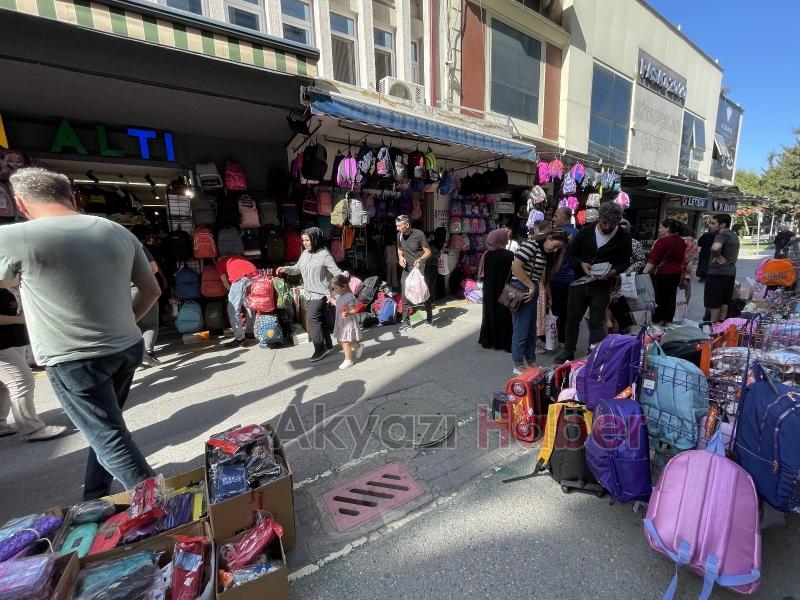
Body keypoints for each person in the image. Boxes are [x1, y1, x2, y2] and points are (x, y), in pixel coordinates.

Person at [0, 167, 160, 499]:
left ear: (20, 203)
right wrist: (126, 321)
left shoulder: (15, 237)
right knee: (107, 429)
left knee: (106, 433)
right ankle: (96, 494)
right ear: (71, 197)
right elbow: (151, 290)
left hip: (74, 357)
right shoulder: (116, 230)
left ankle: (160, 504)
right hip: (126, 347)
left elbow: (6, 281)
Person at [555, 203, 632, 364]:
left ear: (618, 221)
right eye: (604, 222)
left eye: (612, 224)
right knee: (572, 319)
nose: (608, 227)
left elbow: (624, 261)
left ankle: (594, 353)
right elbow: (571, 255)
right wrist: (581, 264)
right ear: (599, 217)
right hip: (579, 282)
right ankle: (568, 351)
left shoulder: (623, 237)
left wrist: (613, 272)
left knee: (596, 321)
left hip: (602, 285)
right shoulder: (585, 232)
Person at [0, 285, 67, 441]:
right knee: (21, 381)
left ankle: (1, 424)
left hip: (12, 338)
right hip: (3, 343)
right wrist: (20, 319)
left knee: (4, 385)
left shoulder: (7, 279)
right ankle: (31, 429)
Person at [277, 227, 341, 361]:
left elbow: (336, 272)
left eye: (308, 240)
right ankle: (328, 345)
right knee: (320, 319)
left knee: (312, 319)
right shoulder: (305, 253)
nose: (305, 243)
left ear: (315, 239)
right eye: (303, 240)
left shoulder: (324, 255)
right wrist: (286, 269)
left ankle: (319, 349)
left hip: (321, 294)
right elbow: (297, 268)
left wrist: (342, 286)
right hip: (309, 293)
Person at [509, 230, 569, 374]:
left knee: (531, 330)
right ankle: (518, 364)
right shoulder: (532, 245)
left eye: (558, 248)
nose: (555, 250)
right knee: (521, 329)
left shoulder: (543, 251)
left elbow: (554, 271)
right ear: (549, 237)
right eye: (555, 246)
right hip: (522, 288)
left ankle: (531, 361)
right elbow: (515, 266)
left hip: (530, 288)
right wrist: (531, 286)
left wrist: (561, 252)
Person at [131, 226, 166, 366]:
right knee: (150, 324)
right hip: (141, 288)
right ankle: (148, 353)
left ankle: (136, 358)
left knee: (133, 324)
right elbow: (154, 268)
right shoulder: (137, 245)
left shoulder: (111, 246)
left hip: (122, 291)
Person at [643, 219, 687, 326]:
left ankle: (657, 321)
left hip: (663, 272)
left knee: (659, 297)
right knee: (671, 297)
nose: (659, 230)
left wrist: (644, 272)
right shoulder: (682, 241)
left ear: (667, 228)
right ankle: (668, 321)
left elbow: (653, 260)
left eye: (661, 227)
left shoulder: (662, 241)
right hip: (676, 272)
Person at [478, 229, 514, 352]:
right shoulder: (509, 255)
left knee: (489, 312)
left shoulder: (486, 255)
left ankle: (489, 340)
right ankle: (503, 342)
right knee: (504, 314)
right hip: (504, 289)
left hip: (489, 289)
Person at [607, 219, 645, 334]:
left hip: (626, 281)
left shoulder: (635, 243)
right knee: (610, 306)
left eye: (624, 230)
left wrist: (631, 268)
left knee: (623, 309)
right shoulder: (610, 241)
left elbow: (641, 260)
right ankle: (611, 334)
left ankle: (622, 333)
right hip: (610, 279)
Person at [396, 215, 432, 332]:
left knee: (423, 292)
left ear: (407, 225)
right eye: (396, 226)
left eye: (399, 226)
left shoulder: (419, 234)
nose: (397, 228)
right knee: (404, 294)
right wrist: (400, 257)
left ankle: (429, 316)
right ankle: (406, 322)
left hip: (419, 268)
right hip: (407, 269)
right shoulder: (399, 235)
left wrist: (420, 259)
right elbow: (400, 249)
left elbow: (428, 252)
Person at [549, 208, 578, 346]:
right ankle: (564, 338)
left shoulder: (558, 233)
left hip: (559, 277)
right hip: (572, 278)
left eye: (556, 216)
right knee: (568, 310)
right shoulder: (577, 233)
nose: (553, 219)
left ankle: (556, 338)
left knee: (556, 310)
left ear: (565, 217)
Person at [704, 213, 740, 323]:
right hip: (730, 273)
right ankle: (722, 325)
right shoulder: (734, 235)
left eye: (713, 223)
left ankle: (713, 326)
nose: (710, 225)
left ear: (723, 224)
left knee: (714, 302)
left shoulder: (721, 234)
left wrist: (717, 256)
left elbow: (715, 248)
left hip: (717, 273)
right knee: (725, 301)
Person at [216, 254, 258, 348]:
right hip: (256, 276)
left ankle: (240, 338)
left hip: (240, 279)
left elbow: (226, 283)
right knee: (249, 305)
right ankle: (249, 332)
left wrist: (232, 293)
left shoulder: (220, 264)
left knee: (233, 309)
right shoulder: (236, 257)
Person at [327, 273, 363, 370]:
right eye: (333, 288)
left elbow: (354, 310)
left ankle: (348, 360)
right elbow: (337, 304)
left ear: (343, 286)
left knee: (345, 341)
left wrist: (348, 313)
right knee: (341, 340)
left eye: (336, 288)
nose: (334, 290)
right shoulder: (340, 296)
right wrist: (330, 298)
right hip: (341, 322)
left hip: (348, 323)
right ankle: (358, 346)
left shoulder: (349, 297)